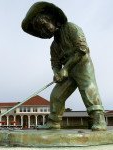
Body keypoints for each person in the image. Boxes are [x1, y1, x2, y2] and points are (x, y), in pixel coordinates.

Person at [21, 1, 107, 131]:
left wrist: (65, 69)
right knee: (56, 95)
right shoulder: (54, 46)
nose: (43, 31)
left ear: (54, 20)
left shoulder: (71, 28)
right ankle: (54, 122)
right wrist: (57, 72)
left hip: (82, 64)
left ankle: (98, 119)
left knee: (88, 88)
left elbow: (82, 49)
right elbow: (55, 63)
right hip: (67, 72)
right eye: (40, 29)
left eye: (44, 25)